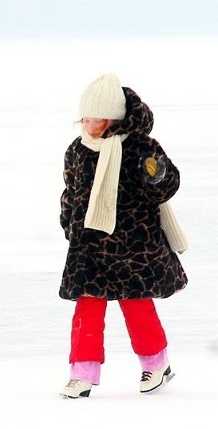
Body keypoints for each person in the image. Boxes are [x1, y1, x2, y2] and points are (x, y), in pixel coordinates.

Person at [58, 73, 188, 398]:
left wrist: (156, 174)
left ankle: (156, 363)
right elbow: (70, 192)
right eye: (84, 119)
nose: (89, 125)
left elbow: (167, 184)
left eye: (96, 119)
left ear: (113, 119)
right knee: (87, 310)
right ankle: (82, 373)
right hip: (89, 247)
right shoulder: (77, 151)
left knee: (137, 307)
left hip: (133, 245)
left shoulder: (139, 147)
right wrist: (68, 222)